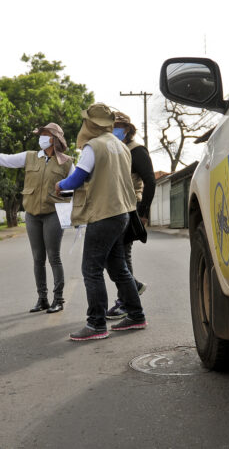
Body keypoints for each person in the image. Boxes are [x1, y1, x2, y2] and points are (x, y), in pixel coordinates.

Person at [55, 103, 147, 341]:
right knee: (118, 267)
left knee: (91, 270)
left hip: (104, 214)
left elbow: (78, 177)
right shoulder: (120, 146)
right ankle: (136, 316)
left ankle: (96, 324)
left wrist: (60, 185)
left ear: (91, 124)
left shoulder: (92, 146)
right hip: (122, 213)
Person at [0, 123, 73, 314]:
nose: (40, 137)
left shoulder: (68, 163)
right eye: (40, 134)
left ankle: (59, 299)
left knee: (54, 257)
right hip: (32, 215)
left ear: (54, 139)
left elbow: (77, 187)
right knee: (38, 258)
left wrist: (71, 212)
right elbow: (3, 159)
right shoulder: (29, 156)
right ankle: (42, 299)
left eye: (44, 134)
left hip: (54, 213)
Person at [106, 111, 156, 320]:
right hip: (117, 206)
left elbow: (150, 181)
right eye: (112, 126)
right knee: (117, 255)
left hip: (131, 205)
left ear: (127, 129)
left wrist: (143, 213)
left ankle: (127, 300)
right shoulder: (116, 150)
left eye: (118, 126)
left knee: (121, 255)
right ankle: (131, 291)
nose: (114, 130)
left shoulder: (136, 151)